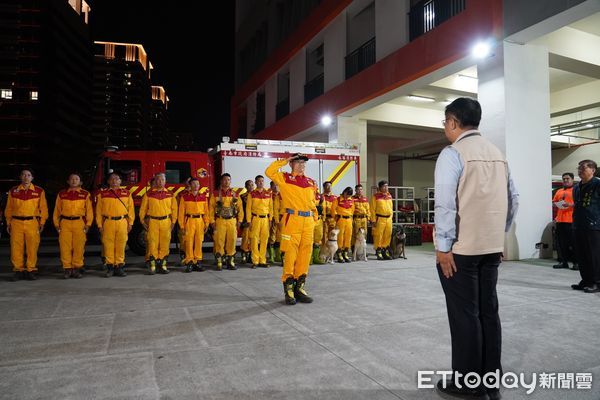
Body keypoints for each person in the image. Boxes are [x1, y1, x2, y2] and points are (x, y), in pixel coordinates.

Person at [434, 98, 518, 400]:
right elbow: (513, 199)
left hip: (461, 251)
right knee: (488, 312)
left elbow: (445, 203)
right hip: (490, 248)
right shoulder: (497, 153)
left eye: (445, 122)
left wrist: (443, 247)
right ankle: (489, 378)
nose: (445, 128)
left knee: (465, 316)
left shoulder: (453, 153)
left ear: (454, 122)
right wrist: (500, 236)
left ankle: (467, 383)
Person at [266, 153, 318, 305]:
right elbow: (269, 172)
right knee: (290, 254)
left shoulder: (311, 182)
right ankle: (288, 289)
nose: (302, 165)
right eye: (298, 162)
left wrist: (315, 218)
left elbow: (313, 202)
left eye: (304, 163)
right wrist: (285, 160)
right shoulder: (284, 179)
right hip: (292, 221)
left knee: (305, 255)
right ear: (291, 164)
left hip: (308, 222)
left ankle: (299, 288)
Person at [5, 169, 48, 281]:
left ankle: (31, 270)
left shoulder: (39, 191)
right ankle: (18, 270)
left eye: (28, 175)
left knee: (32, 247)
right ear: (20, 177)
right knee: (16, 247)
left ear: (32, 178)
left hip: (32, 222)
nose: (26, 177)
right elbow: (8, 208)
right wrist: (8, 223)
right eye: (23, 175)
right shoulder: (13, 191)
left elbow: (43, 208)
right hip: (16, 222)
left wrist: (42, 222)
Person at [53, 173, 93, 279]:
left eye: (76, 179)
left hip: (79, 223)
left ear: (80, 182)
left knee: (78, 247)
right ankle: (67, 269)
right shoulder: (62, 194)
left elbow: (89, 211)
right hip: (65, 222)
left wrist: (88, 224)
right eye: (72, 179)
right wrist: (56, 224)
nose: (74, 181)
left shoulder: (85, 194)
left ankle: (76, 268)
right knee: (65, 247)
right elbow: (57, 211)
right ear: (68, 181)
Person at [95, 172, 134, 277]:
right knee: (108, 245)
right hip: (108, 222)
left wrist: (130, 223)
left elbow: (131, 210)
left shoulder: (127, 193)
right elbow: (98, 212)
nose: (114, 181)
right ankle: (110, 267)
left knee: (121, 245)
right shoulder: (102, 194)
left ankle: (119, 267)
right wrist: (99, 225)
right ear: (108, 181)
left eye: (117, 179)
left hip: (122, 222)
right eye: (112, 179)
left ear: (120, 181)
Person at [571, 159, 600, 293]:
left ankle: (596, 282)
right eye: (579, 168)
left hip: (593, 225)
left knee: (593, 255)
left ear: (592, 170)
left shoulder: (597, 184)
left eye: (583, 168)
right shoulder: (576, 187)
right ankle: (586, 280)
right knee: (581, 255)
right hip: (578, 224)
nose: (580, 171)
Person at [139, 173, 178, 275]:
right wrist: (142, 221)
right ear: (155, 181)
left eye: (162, 180)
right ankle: (153, 265)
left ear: (165, 181)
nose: (160, 182)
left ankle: (163, 265)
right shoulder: (148, 194)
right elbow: (143, 209)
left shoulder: (170, 194)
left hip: (166, 222)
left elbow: (174, 209)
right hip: (153, 222)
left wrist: (173, 222)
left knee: (165, 244)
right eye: (158, 180)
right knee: (152, 243)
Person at [209, 173, 243, 270]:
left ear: (230, 181)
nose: (226, 181)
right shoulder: (215, 194)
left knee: (232, 241)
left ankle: (230, 261)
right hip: (220, 220)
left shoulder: (235, 194)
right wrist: (212, 221)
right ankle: (219, 261)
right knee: (219, 241)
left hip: (232, 221)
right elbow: (210, 209)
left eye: (228, 179)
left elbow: (240, 209)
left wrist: (240, 220)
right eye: (224, 179)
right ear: (221, 181)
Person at [178, 178, 210, 272]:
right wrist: (182, 226)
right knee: (189, 242)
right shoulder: (185, 197)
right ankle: (189, 262)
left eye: (198, 184)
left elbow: (206, 212)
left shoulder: (203, 197)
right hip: (189, 221)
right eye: (194, 184)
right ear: (190, 185)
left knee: (199, 242)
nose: (196, 185)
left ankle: (198, 261)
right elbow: (181, 213)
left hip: (200, 221)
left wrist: (206, 223)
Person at [246, 175, 274, 268]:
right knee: (254, 239)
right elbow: (248, 208)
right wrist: (249, 221)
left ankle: (262, 260)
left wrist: (270, 219)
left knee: (264, 240)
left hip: (265, 219)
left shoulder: (268, 194)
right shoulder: (252, 194)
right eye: (259, 181)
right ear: (256, 182)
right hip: (255, 219)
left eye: (262, 181)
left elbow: (271, 208)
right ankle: (255, 260)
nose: (261, 182)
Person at [552, 172, 576, 269]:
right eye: (564, 179)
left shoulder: (576, 190)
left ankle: (576, 263)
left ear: (572, 180)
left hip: (571, 221)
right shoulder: (559, 191)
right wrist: (555, 204)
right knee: (561, 243)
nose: (565, 180)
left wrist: (569, 205)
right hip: (560, 221)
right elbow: (554, 202)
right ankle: (563, 262)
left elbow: (579, 203)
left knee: (574, 243)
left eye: (567, 179)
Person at [370, 180, 393, 260]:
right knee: (378, 235)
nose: (386, 188)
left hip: (388, 219)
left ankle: (385, 250)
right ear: (380, 188)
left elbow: (391, 208)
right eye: (384, 186)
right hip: (380, 218)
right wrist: (373, 220)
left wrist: (391, 217)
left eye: (387, 186)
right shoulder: (375, 196)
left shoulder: (389, 195)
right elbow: (372, 209)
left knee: (388, 235)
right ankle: (378, 251)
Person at [332, 186, 354, 263]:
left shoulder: (351, 200)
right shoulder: (337, 200)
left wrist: (351, 218)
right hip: (341, 219)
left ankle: (345, 253)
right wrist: (336, 218)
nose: (348, 197)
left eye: (350, 195)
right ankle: (339, 253)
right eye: (347, 195)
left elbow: (352, 210)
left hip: (349, 220)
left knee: (348, 236)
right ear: (344, 192)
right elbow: (333, 210)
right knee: (340, 236)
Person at [239, 179, 255, 264]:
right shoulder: (242, 196)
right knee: (245, 238)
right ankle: (244, 255)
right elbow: (240, 210)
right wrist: (242, 221)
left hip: (256, 220)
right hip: (246, 220)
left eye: (252, 185)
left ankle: (251, 255)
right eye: (249, 185)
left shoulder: (256, 195)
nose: (251, 186)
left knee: (253, 239)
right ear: (246, 187)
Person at [352, 184, 370, 250]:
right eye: (358, 189)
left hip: (364, 219)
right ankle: (354, 249)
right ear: (355, 190)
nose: (360, 191)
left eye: (361, 189)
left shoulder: (365, 199)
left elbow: (368, 210)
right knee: (356, 234)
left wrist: (368, 219)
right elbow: (351, 210)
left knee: (364, 234)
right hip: (357, 219)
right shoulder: (352, 199)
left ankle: (362, 250)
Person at [267, 181, 282, 263]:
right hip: (271, 219)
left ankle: (278, 256)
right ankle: (271, 256)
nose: (276, 187)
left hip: (280, 219)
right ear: (271, 186)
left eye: (277, 185)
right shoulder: (268, 195)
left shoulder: (282, 195)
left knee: (279, 237)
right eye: (274, 185)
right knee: (271, 237)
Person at [321, 181, 337, 250]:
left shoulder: (335, 197)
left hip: (333, 219)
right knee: (324, 236)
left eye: (330, 186)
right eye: (327, 186)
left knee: (333, 235)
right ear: (324, 187)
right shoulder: (321, 197)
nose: (329, 187)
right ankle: (324, 251)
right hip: (325, 219)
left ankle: (332, 251)